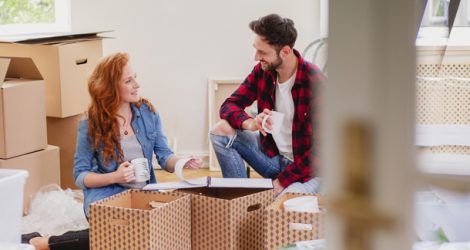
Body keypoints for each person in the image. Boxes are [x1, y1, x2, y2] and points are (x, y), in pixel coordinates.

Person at [26, 52, 203, 250]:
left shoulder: (148, 113)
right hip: (105, 196)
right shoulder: (90, 123)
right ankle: (45, 243)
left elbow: (164, 156)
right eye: (128, 80)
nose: (137, 84)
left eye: (135, 77)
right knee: (124, 235)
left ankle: (54, 241)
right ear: (110, 88)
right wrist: (115, 177)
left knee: (156, 230)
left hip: (143, 193)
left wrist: (181, 162)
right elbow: (80, 175)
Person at [209, 14, 324, 196]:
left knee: (281, 207)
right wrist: (249, 123)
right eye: (256, 50)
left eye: (262, 52)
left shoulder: (315, 82)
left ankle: (277, 196)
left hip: (308, 173)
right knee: (220, 130)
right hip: (275, 159)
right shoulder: (264, 72)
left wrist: (281, 182)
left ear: (285, 51)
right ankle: (239, 199)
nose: (256, 57)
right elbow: (229, 105)